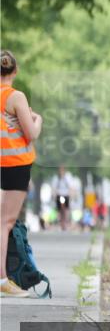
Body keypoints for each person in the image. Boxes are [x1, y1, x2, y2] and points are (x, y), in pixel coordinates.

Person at [1, 50, 42, 297]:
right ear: (15, 71)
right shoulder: (16, 97)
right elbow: (32, 133)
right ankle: (3, 280)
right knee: (4, 223)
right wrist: (39, 119)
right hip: (14, 164)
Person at [54, 166, 72, 231]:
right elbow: (54, 188)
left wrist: (70, 194)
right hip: (59, 195)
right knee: (60, 210)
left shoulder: (67, 177)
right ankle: (61, 223)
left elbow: (70, 187)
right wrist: (54, 195)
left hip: (66, 195)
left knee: (66, 210)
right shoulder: (57, 178)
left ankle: (65, 224)